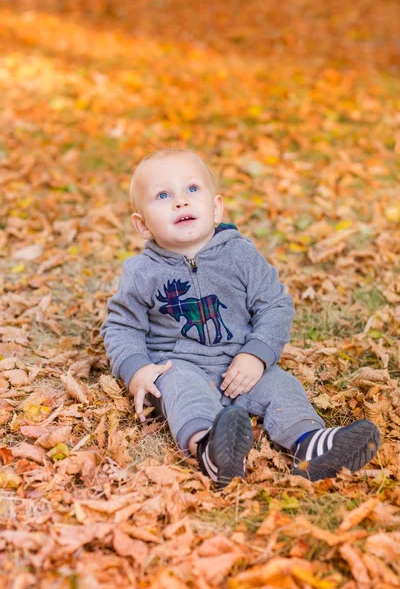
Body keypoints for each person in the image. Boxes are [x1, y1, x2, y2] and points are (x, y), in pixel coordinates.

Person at [100, 148, 380, 488]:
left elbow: (275, 304)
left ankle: (312, 443)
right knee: (180, 393)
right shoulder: (140, 271)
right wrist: (135, 369)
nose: (180, 202)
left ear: (216, 207)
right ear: (142, 225)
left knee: (283, 387)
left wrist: (257, 354)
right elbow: (122, 325)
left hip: (240, 362)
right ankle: (210, 448)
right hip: (178, 366)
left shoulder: (240, 254)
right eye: (163, 195)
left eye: (191, 189)